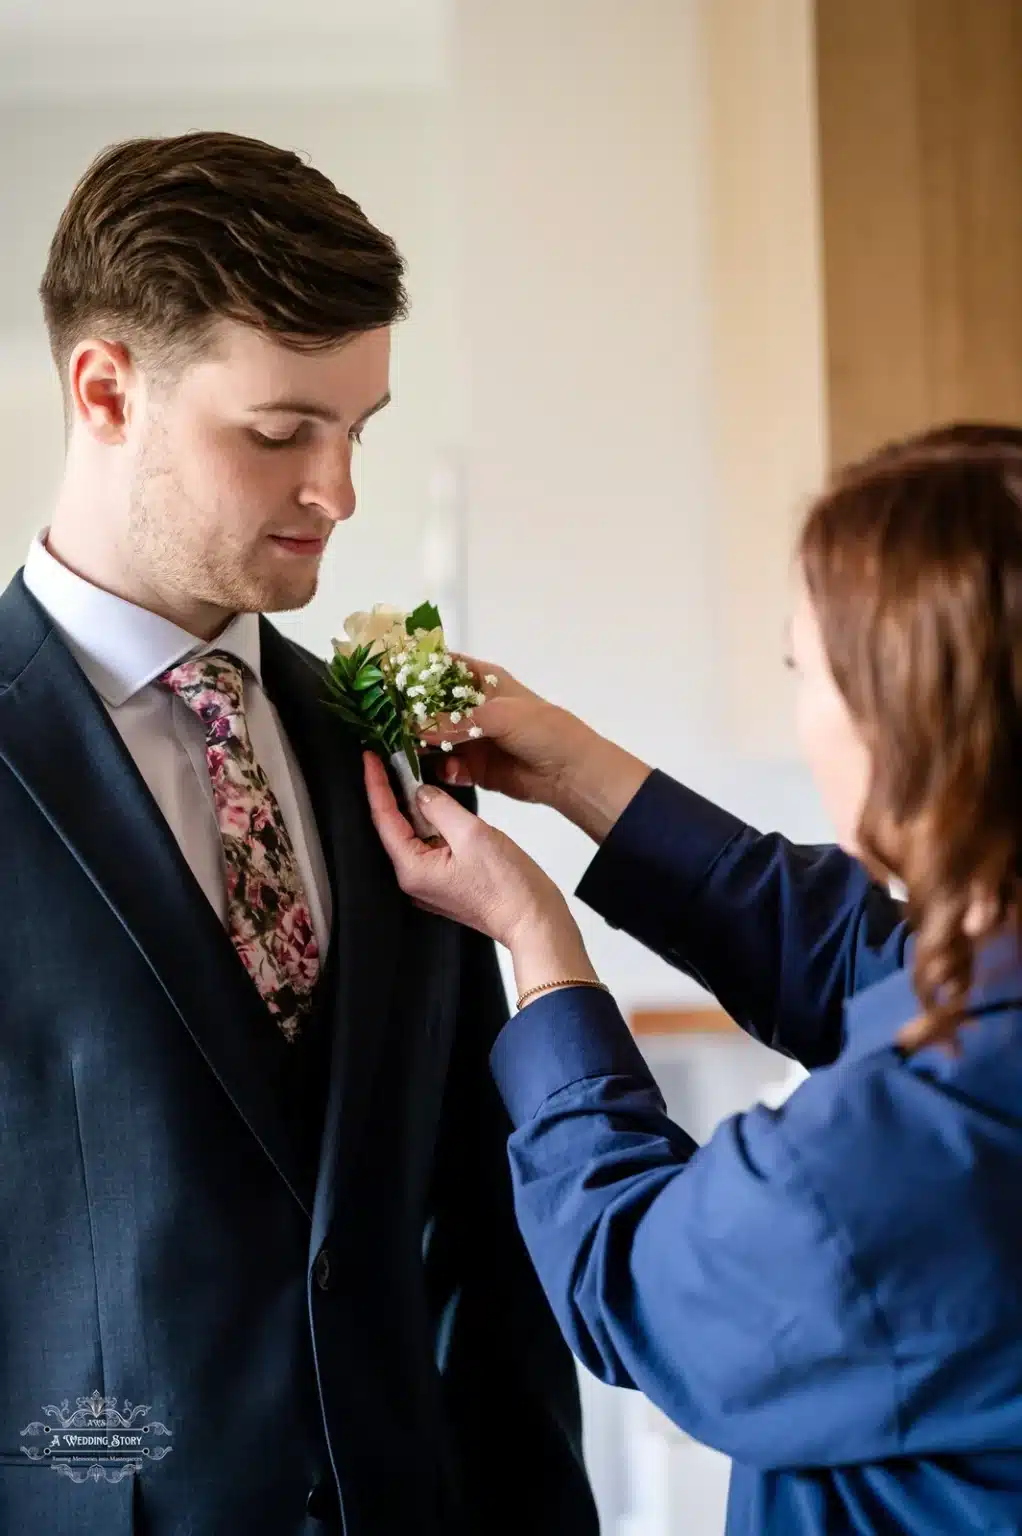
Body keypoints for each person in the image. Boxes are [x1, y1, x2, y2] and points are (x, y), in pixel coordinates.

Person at [0, 132, 596, 1536]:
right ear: (104, 391)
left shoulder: (386, 745)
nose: (339, 492)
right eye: (280, 433)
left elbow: (477, 1245)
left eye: (358, 428)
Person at [365, 427, 1022, 1535]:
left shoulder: (903, 1143)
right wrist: (579, 769)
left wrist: (541, 948)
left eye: (799, 672)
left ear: (908, 724)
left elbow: (630, 1276)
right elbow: (865, 955)